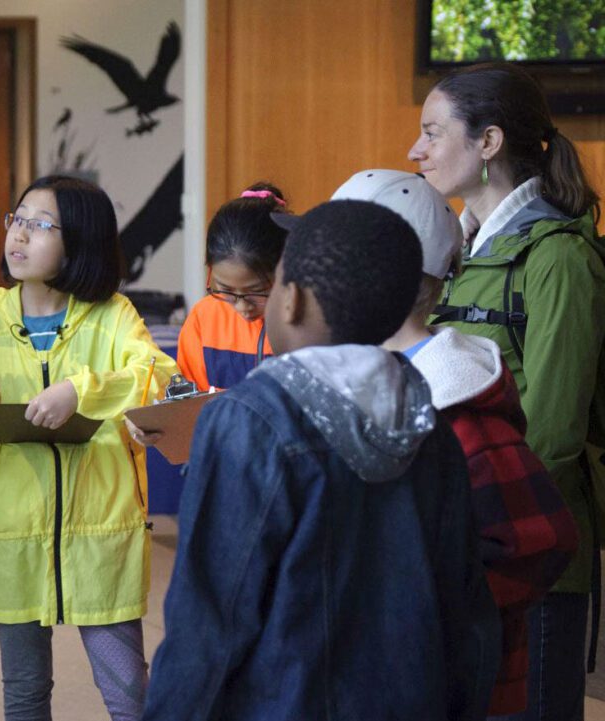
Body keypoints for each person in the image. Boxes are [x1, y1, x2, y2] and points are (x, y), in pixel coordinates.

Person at [143, 200, 500, 721]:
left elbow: (210, 620)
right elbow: (468, 611)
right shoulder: (431, 420)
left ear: (291, 302)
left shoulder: (250, 421)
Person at [0, 175, 177, 721]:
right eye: (16, 219)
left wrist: (81, 392)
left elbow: (155, 378)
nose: (19, 235)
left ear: (80, 242)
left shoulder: (114, 316)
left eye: (41, 225)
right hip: (12, 542)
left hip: (102, 541)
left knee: (128, 696)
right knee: (23, 697)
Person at [409, 62, 605, 721]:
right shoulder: (456, 253)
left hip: (529, 553)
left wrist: (486, 541)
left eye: (433, 133)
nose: (417, 151)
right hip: (460, 549)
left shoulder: (558, 257)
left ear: (488, 142)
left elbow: (552, 430)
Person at [343, 169, 579, 717]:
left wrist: (417, 616)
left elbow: (539, 542)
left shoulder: (461, 412)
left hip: (452, 690)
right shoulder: (352, 385)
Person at [177, 183, 289, 390]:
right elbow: (189, 403)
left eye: (256, 292)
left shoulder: (305, 325)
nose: (242, 307)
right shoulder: (204, 318)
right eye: (226, 290)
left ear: (285, 269)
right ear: (210, 271)